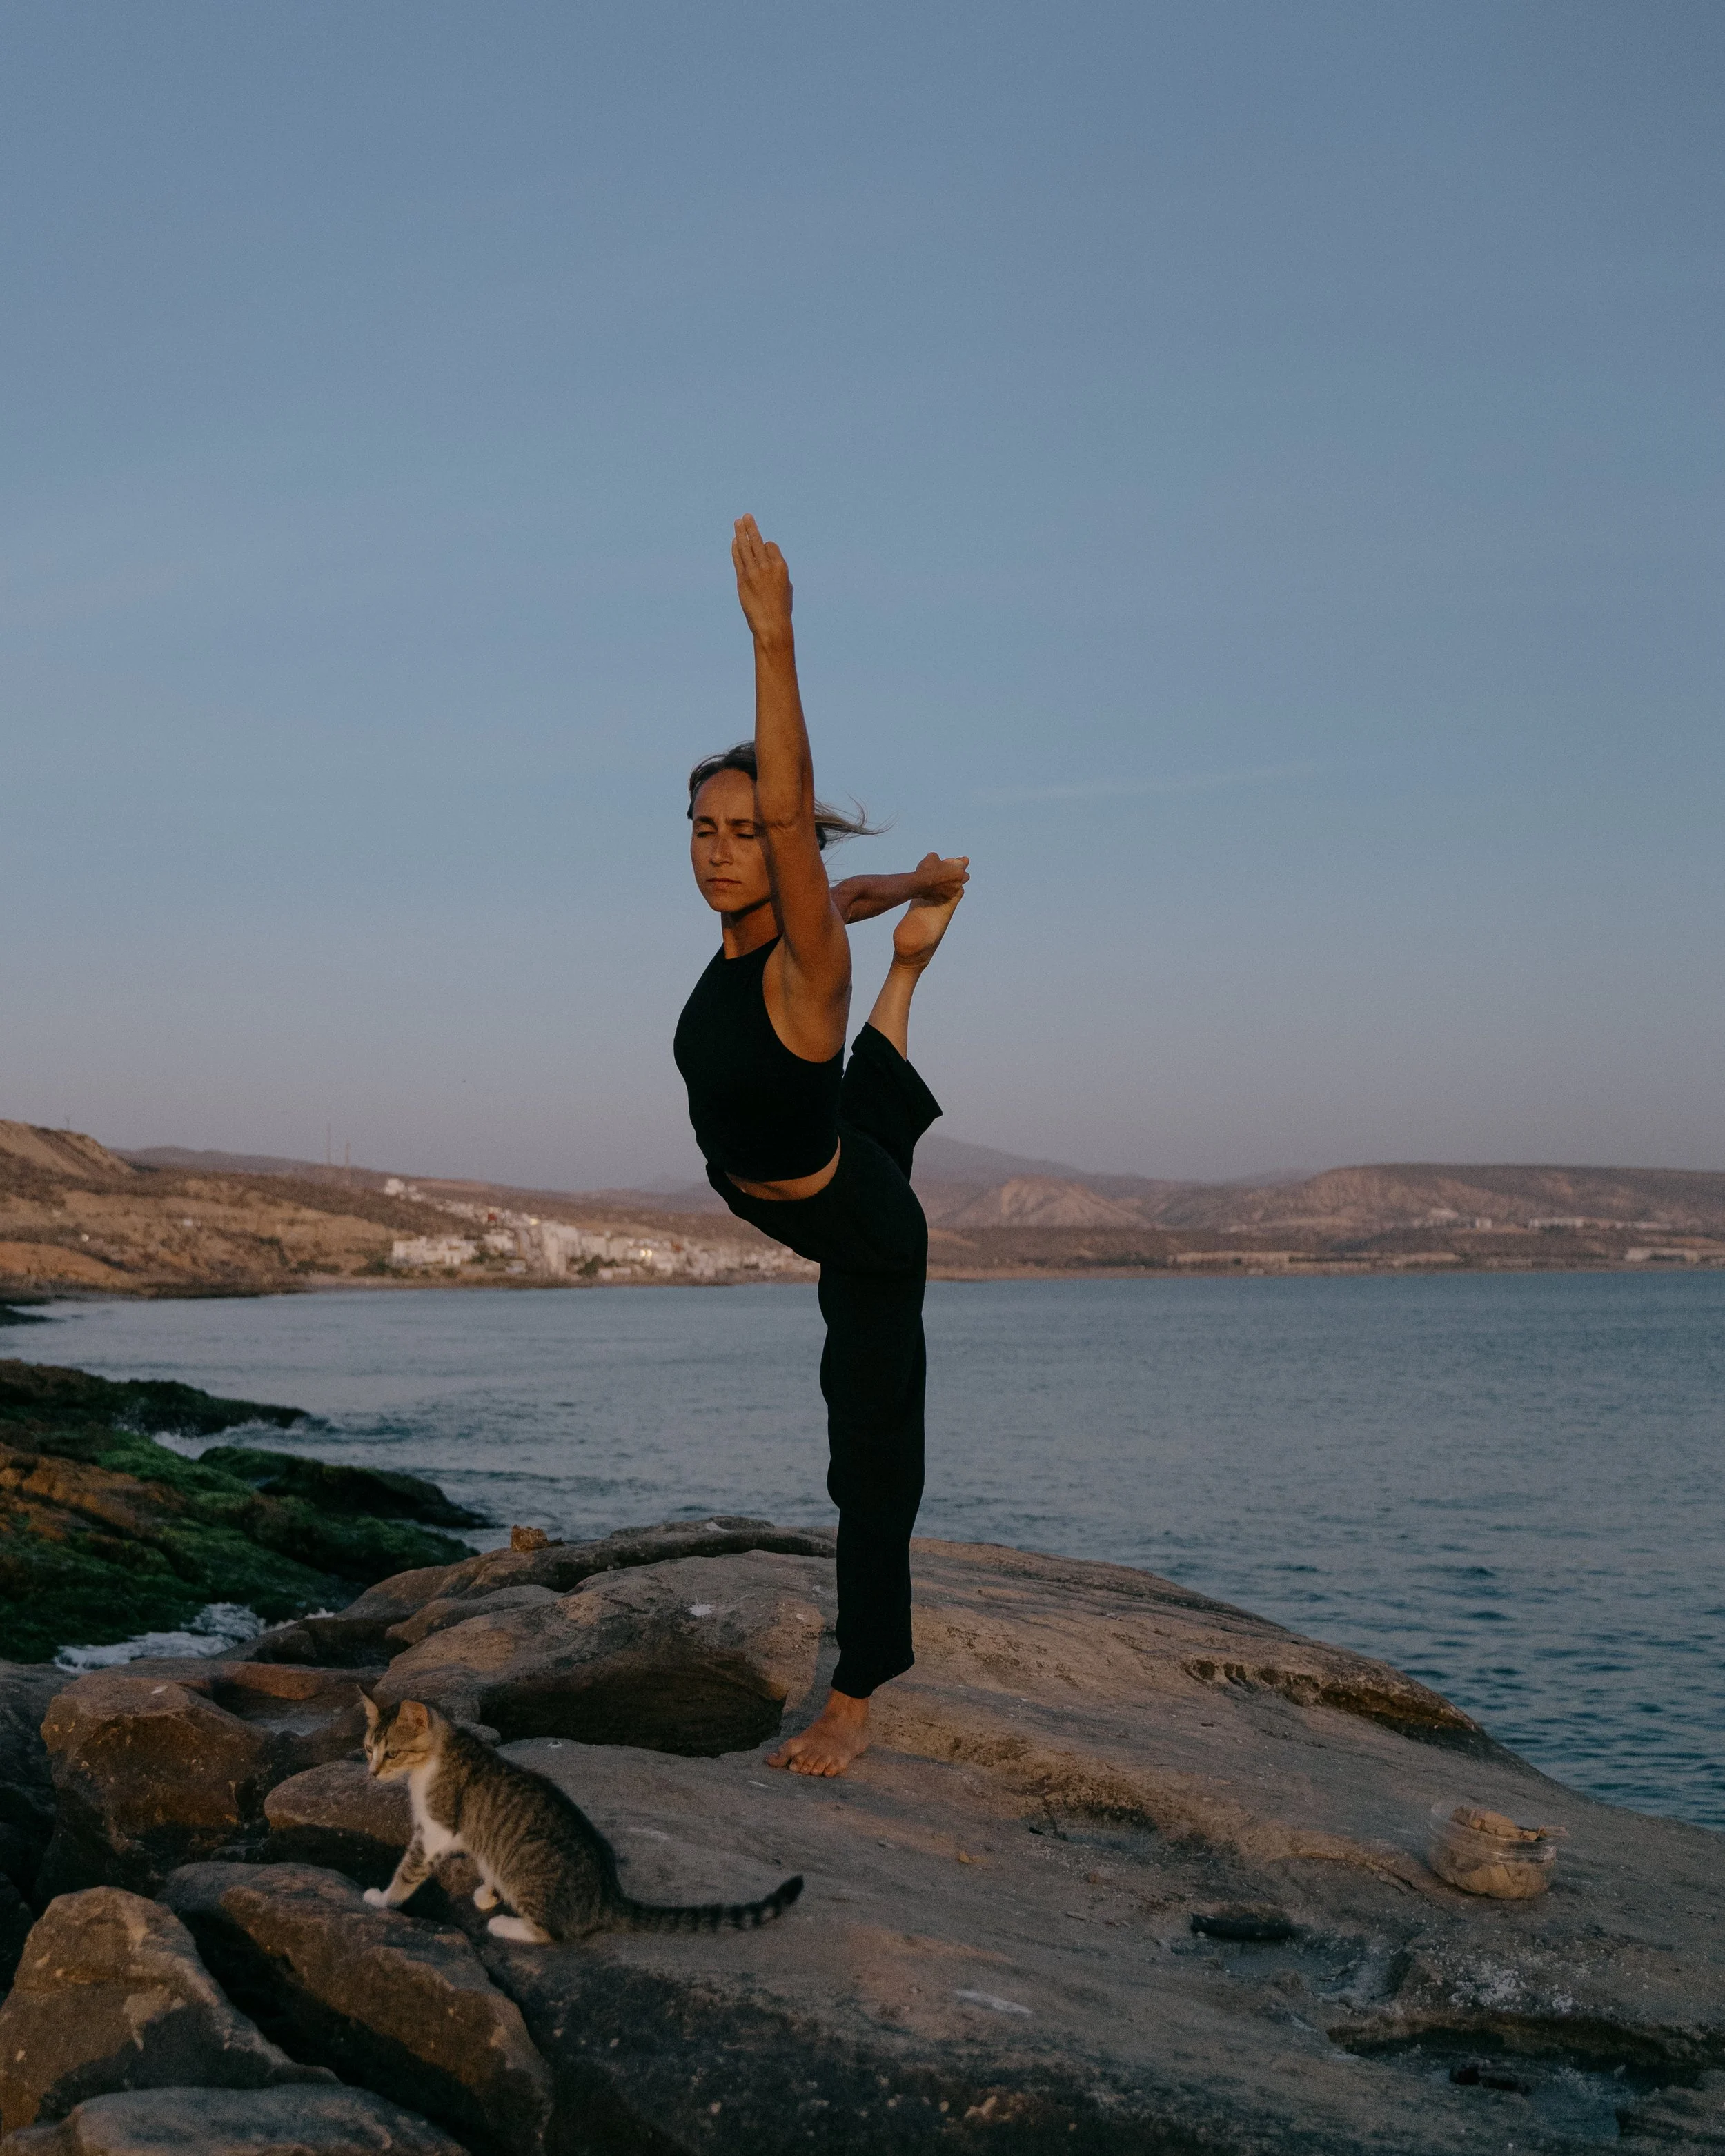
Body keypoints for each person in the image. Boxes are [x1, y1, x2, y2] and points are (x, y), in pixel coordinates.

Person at [673, 515, 968, 1778]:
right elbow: (832, 887)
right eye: (704, 827)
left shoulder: (803, 964)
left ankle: (857, 1693)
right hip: (817, 1166)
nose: (721, 849)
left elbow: (803, 844)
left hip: (857, 1226)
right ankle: (917, 967)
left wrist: (774, 639)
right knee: (856, 1117)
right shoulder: (755, 939)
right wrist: (910, 891)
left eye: (744, 833)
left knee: (870, 1457)